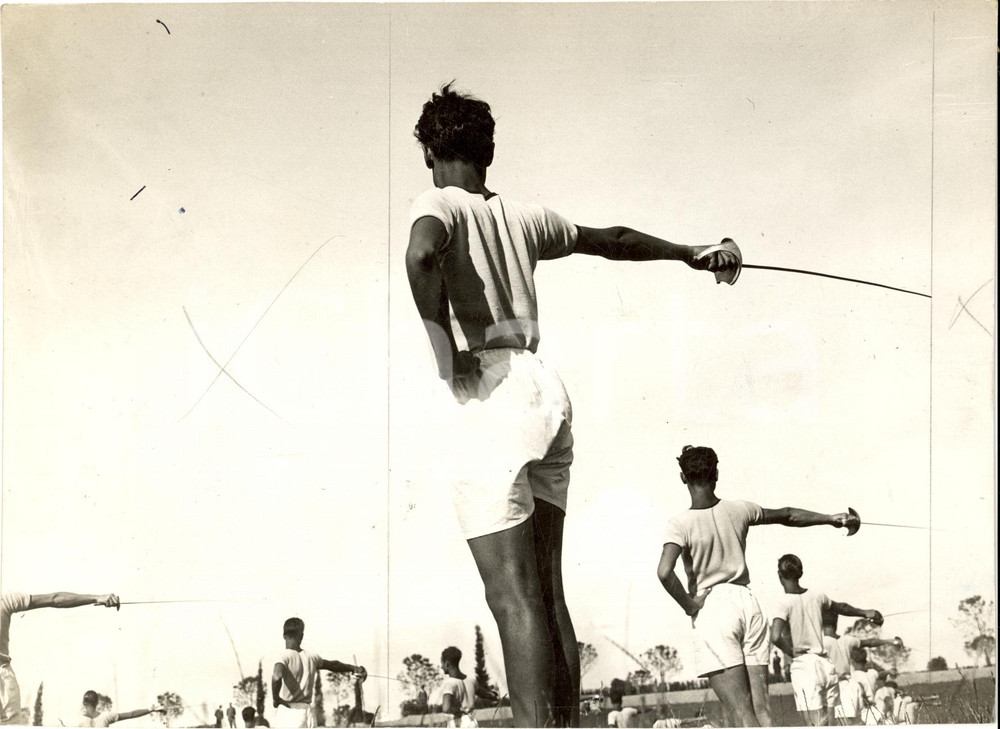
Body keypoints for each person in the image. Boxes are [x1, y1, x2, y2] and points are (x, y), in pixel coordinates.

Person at [407, 83, 740, 729]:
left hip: (490, 396)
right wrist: (689, 253)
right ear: (488, 151)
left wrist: (443, 346)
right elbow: (611, 238)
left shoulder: (435, 203)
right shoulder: (524, 217)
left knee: (511, 596)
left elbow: (422, 252)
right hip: (542, 385)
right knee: (546, 590)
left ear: (429, 152)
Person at [656, 445, 861, 728]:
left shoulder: (679, 523)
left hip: (714, 608)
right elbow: (788, 514)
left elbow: (665, 572)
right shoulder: (740, 509)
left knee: (740, 714)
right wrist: (832, 518)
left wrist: (691, 606)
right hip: (748, 604)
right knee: (760, 710)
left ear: (683, 478)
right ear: (716, 474)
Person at [770, 554, 884, 727]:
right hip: (826, 666)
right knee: (831, 725)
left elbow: (775, 636)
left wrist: (790, 651)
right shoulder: (817, 596)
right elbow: (842, 607)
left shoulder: (782, 602)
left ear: (780, 575)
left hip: (805, 667)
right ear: (800, 572)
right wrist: (866, 612)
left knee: (814, 725)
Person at [1, 591, 120, 725]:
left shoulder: (5, 600)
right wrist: (97, 597)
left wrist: (97, 597)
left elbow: (55, 599)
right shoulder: (5, 600)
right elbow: (54, 599)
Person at [271, 617, 366, 728]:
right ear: (301, 636)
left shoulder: (284, 656)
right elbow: (333, 665)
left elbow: (277, 676)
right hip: (308, 711)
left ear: (283, 635)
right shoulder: (312, 657)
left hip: (289, 711)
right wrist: (354, 668)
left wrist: (275, 698)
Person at [823, 612, 904, 725]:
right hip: (849, 686)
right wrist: (891, 641)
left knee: (837, 723)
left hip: (836, 686)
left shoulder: (822, 643)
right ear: (836, 623)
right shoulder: (846, 640)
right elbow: (870, 642)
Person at [440, 646, 497, 728]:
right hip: (472, 722)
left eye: (442, 663)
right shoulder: (471, 681)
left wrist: (459, 711)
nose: (441, 666)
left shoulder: (449, 683)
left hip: (458, 723)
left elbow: (446, 708)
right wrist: (493, 694)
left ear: (447, 663)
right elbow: (485, 694)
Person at [79, 690, 165, 727]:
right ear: (97, 702)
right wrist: (151, 709)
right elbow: (131, 714)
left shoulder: (77, 721)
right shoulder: (106, 716)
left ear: (84, 703)